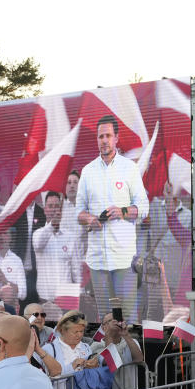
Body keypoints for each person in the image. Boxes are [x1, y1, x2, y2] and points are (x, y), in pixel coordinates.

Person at [77, 115, 149, 323]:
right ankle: (109, 355)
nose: (104, 140)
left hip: (124, 258)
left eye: (108, 135)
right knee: (105, 320)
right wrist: (90, 219)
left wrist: (123, 211)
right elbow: (78, 212)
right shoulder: (88, 171)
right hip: (97, 259)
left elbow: (143, 207)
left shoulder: (129, 168)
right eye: (100, 136)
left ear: (116, 138)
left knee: (126, 319)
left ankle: (128, 355)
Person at [90, 311, 143, 389]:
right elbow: (111, 363)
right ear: (103, 327)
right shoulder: (96, 346)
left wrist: (126, 335)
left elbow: (139, 359)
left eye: (116, 320)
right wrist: (108, 336)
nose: (115, 323)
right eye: (110, 321)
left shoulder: (132, 341)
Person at [32, 191, 78, 304]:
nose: (54, 209)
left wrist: (79, 292)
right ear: (44, 209)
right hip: (46, 296)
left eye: (57, 206)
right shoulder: (38, 233)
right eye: (50, 206)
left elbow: (76, 269)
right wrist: (52, 224)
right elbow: (39, 244)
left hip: (67, 295)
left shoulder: (70, 236)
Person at [0, 230, 27, 304]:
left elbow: (23, 294)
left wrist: (5, 281)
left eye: (5, 233)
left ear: (10, 238)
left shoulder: (17, 261)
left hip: (11, 306)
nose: (1, 237)